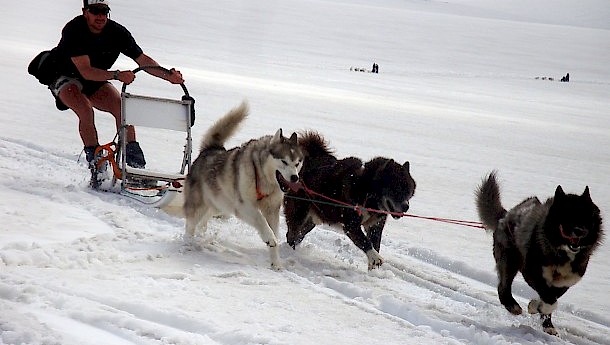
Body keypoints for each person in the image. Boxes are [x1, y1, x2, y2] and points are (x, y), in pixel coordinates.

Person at [48, 0, 184, 169]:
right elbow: (86, 71)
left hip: (94, 78)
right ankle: (97, 165)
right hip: (64, 75)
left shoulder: (117, 32)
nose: (100, 16)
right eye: (95, 11)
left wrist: (168, 76)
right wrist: (117, 75)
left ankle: (134, 167)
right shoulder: (74, 30)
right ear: (85, 12)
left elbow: (142, 60)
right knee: (85, 109)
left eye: (104, 11)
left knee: (122, 109)